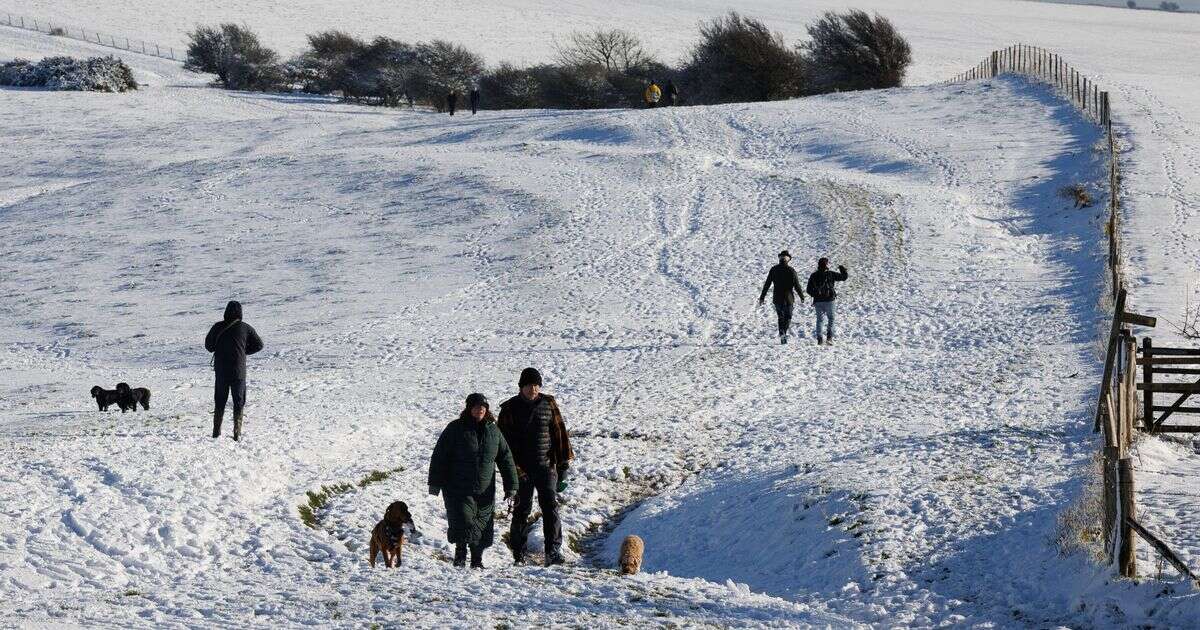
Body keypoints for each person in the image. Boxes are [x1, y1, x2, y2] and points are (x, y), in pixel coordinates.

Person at [429, 393, 519, 569]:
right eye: (477, 407)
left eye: (483, 407)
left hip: (485, 489)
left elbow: (505, 457)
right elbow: (440, 456)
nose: (480, 410)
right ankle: (460, 554)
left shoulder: (494, 431)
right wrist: (435, 482)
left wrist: (511, 486)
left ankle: (477, 559)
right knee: (462, 520)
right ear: (469, 408)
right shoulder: (455, 429)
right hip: (458, 488)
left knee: (482, 524)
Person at [497, 368, 574, 566]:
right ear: (521, 387)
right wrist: (513, 471)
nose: (534, 389)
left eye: (537, 385)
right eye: (530, 385)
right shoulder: (509, 409)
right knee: (522, 510)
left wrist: (563, 465)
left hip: (546, 467)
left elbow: (559, 434)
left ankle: (553, 551)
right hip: (521, 469)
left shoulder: (548, 404)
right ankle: (518, 554)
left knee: (550, 507)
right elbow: (503, 445)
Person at [204, 300, 264, 441]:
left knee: (220, 400)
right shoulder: (246, 328)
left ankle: (216, 432)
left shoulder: (217, 327)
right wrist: (243, 351)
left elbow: (208, 346)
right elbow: (259, 345)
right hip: (238, 371)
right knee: (238, 401)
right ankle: (237, 433)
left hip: (221, 371)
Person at [758, 250, 805, 344]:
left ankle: (782, 333)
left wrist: (762, 297)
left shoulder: (774, 269)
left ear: (780, 258)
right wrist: (801, 296)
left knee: (780, 317)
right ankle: (784, 332)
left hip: (777, 297)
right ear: (788, 259)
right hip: (789, 298)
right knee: (788, 316)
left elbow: (767, 284)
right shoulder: (791, 270)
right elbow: (797, 285)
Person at [806, 257, 849, 345]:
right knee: (831, 318)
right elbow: (844, 277)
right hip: (830, 300)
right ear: (827, 265)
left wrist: (815, 294)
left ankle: (820, 339)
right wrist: (842, 269)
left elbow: (808, 289)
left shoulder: (814, 275)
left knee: (820, 320)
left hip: (818, 301)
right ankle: (829, 338)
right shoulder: (831, 274)